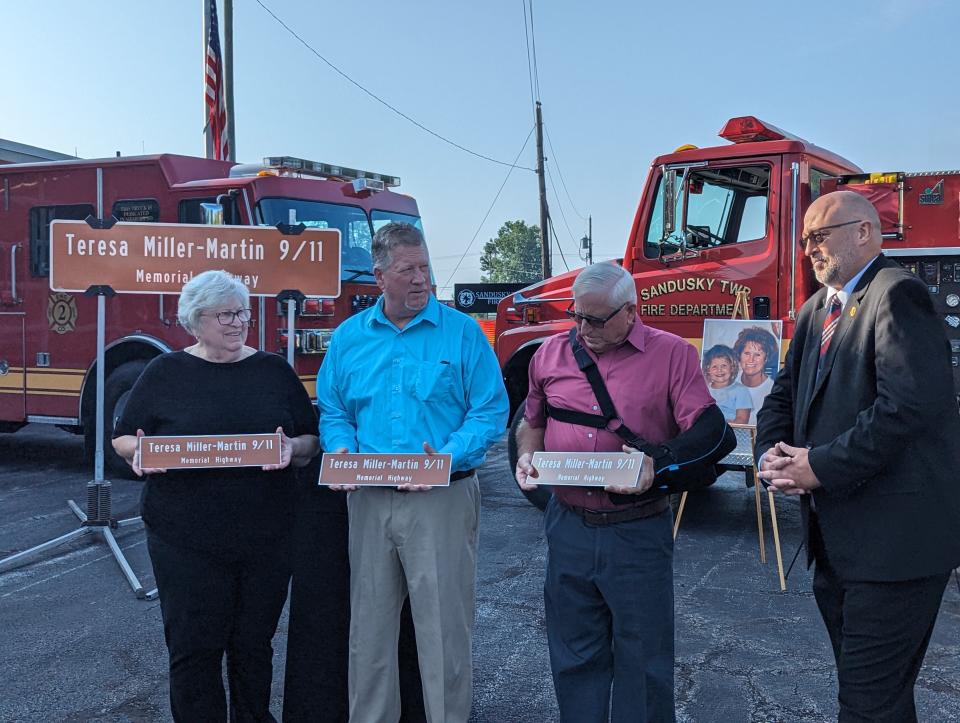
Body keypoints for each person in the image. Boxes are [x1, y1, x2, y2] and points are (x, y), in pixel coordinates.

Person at [756, 190, 960, 722]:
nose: (808, 251)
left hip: (897, 548)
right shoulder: (813, 312)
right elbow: (781, 397)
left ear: (864, 232)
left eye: (818, 236)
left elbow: (908, 407)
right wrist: (771, 459)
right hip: (839, 547)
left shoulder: (898, 295)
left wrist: (817, 467)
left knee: (867, 703)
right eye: (804, 241)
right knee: (876, 697)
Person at [514, 263, 731, 723]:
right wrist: (526, 456)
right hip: (568, 525)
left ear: (630, 312)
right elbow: (531, 420)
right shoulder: (548, 355)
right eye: (577, 317)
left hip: (637, 532)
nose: (583, 329)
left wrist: (658, 461)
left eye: (596, 320)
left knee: (644, 664)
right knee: (574, 659)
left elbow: (708, 427)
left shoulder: (671, 354)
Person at [316, 222, 509, 723]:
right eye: (408, 270)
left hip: (441, 498)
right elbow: (334, 410)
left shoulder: (461, 332)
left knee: (444, 633)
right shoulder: (348, 339)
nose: (421, 279)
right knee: (370, 634)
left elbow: (490, 411)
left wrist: (444, 457)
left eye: (425, 267)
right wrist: (341, 453)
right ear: (380, 276)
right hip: (370, 498)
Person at [112, 270, 319, 722]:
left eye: (242, 312)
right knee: (193, 651)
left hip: (265, 539)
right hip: (183, 539)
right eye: (225, 314)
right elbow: (123, 438)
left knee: (252, 646)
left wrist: (292, 449)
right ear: (195, 320)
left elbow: (310, 440)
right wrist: (140, 453)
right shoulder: (164, 372)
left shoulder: (273, 371)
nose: (238, 321)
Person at [733, 325, 778, 424]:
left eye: (757, 355)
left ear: (766, 358)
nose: (751, 360)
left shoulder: (773, 391)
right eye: (747, 353)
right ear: (739, 355)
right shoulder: (728, 381)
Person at [702, 344, 752, 423]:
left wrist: (722, 428)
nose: (719, 370)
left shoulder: (741, 391)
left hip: (733, 433)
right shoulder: (704, 391)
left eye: (724, 366)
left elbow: (742, 420)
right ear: (708, 370)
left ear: (732, 368)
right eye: (715, 367)